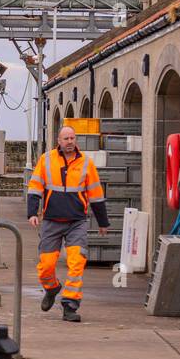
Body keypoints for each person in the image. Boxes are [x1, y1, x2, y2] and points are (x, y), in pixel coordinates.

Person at [28, 125, 111, 322]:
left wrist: (102, 222)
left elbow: (96, 195)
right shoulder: (46, 160)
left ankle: (70, 305)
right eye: (66, 138)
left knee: (77, 262)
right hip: (51, 220)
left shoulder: (86, 163)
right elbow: (35, 187)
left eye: (72, 138)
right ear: (59, 140)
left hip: (77, 222)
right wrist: (32, 213)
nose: (70, 141)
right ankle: (51, 288)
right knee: (46, 265)